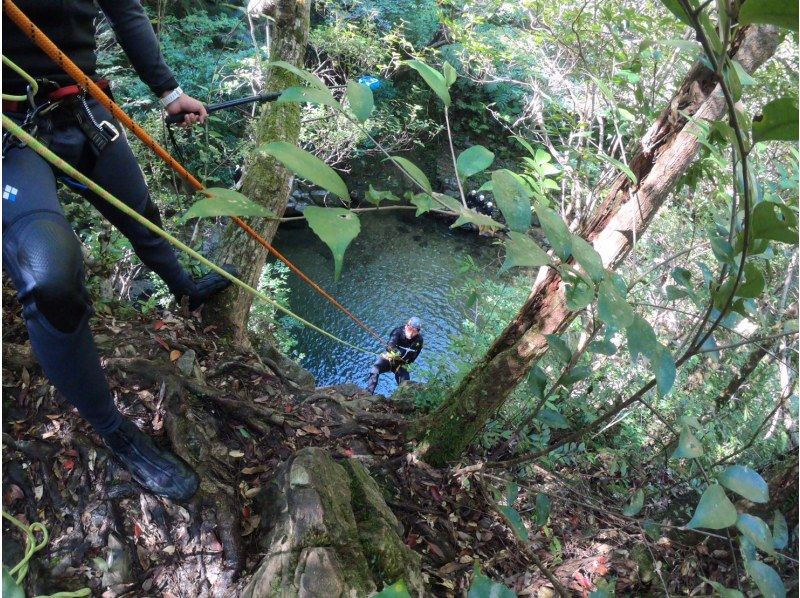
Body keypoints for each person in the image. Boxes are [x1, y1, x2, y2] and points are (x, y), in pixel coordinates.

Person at [2, 1, 236, 501]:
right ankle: (114, 432)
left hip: (80, 105)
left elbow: (125, 9)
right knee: (51, 277)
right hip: (10, 127)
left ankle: (185, 290)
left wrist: (169, 91)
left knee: (141, 214)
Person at [366, 317, 424, 394]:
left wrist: (408, 362)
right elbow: (390, 345)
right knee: (375, 369)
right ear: (407, 325)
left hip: (401, 364)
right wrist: (395, 352)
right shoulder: (398, 331)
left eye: (415, 330)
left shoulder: (419, 340)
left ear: (418, 331)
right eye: (411, 328)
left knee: (406, 385)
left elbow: (416, 354)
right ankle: (369, 392)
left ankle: (401, 399)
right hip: (390, 359)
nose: (412, 332)